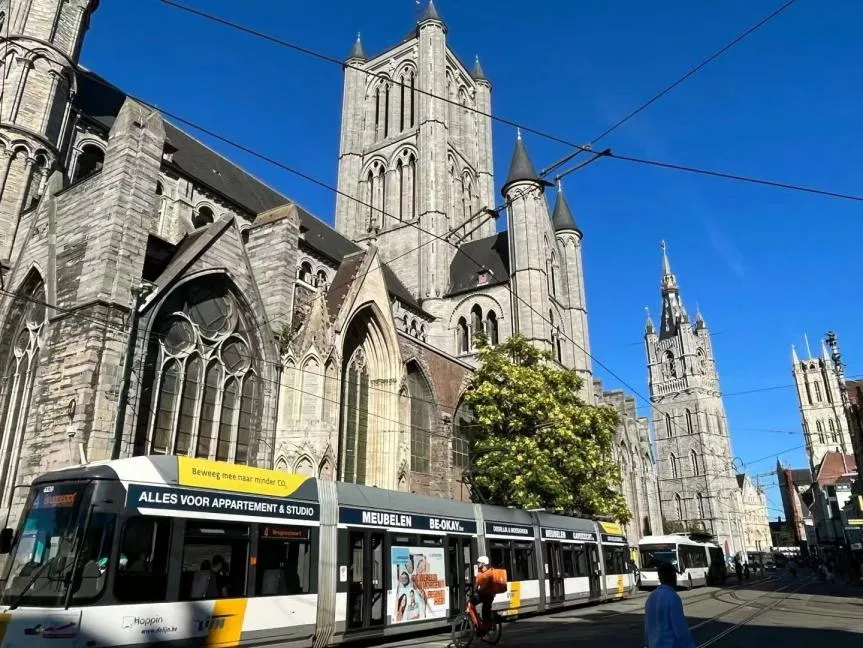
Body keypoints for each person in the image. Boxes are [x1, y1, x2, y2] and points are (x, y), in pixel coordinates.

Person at [644, 561, 696, 648]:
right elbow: (679, 629)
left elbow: (647, 628)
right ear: (673, 577)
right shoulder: (673, 597)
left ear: (660, 578)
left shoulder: (651, 597)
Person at [472, 556, 497, 635]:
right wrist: (474, 590)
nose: (478, 564)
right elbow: (476, 584)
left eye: (479, 563)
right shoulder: (479, 573)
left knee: (485, 611)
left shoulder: (489, 573)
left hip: (489, 595)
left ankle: (486, 628)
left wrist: (479, 591)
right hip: (482, 594)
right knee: (471, 603)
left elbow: (485, 585)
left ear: (483, 564)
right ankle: (478, 622)